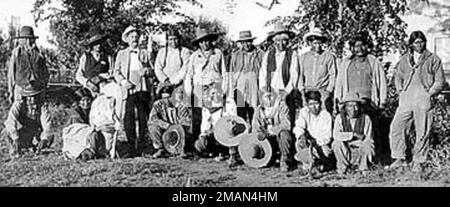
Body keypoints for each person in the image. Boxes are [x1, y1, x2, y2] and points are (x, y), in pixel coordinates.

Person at [388, 31, 445, 172]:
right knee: (396, 127)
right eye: (416, 42)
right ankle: (399, 158)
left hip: (423, 98)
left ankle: (419, 161)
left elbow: (440, 80)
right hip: (406, 98)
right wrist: (400, 90)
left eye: (421, 42)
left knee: (423, 130)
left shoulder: (433, 59)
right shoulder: (404, 59)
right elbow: (398, 75)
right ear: (411, 44)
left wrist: (430, 93)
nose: (419, 45)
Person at [334, 33, 387, 161]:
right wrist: (338, 100)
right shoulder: (346, 63)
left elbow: (382, 82)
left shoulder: (373, 61)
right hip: (349, 102)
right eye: (355, 46)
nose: (359, 48)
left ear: (367, 46)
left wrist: (382, 102)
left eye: (362, 45)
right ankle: (349, 159)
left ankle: (372, 159)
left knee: (371, 131)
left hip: (368, 102)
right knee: (349, 130)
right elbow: (339, 82)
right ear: (351, 48)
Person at [5, 26, 51, 159]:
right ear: (21, 40)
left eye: (30, 39)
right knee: (18, 115)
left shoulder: (39, 53)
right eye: (25, 39)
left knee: (37, 113)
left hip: (37, 89)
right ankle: (17, 145)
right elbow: (11, 74)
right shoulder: (17, 52)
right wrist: (10, 90)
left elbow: (45, 72)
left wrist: (43, 84)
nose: (28, 42)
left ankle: (34, 142)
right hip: (20, 88)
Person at [183, 28, 228, 158]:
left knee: (217, 118)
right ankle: (199, 148)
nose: (205, 44)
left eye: (207, 41)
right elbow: (189, 75)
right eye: (202, 42)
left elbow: (224, 73)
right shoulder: (194, 56)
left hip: (215, 87)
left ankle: (219, 148)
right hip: (199, 88)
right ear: (198, 43)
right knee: (200, 119)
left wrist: (223, 90)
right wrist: (189, 91)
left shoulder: (218, 53)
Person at [114, 25, 155, 156]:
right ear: (127, 39)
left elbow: (154, 70)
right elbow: (116, 72)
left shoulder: (145, 52)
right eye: (132, 37)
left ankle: (142, 146)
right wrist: (123, 82)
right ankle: (131, 146)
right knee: (128, 118)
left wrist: (147, 71)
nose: (134, 39)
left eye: (136, 37)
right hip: (128, 89)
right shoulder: (121, 54)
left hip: (142, 88)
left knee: (143, 117)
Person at [332, 92, 375, 175]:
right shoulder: (339, 118)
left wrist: (359, 142)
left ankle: (363, 168)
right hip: (346, 150)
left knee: (368, 144)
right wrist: (353, 135)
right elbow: (336, 135)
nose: (353, 109)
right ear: (345, 107)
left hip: (360, 150)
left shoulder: (365, 118)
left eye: (356, 106)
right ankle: (343, 168)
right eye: (350, 106)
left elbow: (368, 138)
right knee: (336, 144)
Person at [252, 87, 294, 172]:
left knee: (284, 134)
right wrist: (259, 133)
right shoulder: (259, 110)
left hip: (278, 137)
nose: (269, 99)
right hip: (266, 140)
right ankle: (268, 157)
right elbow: (255, 126)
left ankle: (284, 160)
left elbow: (286, 124)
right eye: (265, 97)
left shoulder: (282, 107)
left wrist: (271, 131)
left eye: (270, 96)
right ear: (261, 98)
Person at [297, 28, 337, 113]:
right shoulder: (303, 57)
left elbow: (333, 75)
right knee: (308, 115)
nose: (318, 46)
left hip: (322, 90)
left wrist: (328, 92)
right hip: (308, 91)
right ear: (310, 43)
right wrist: (302, 92)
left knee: (324, 114)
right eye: (315, 43)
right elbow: (300, 76)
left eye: (319, 43)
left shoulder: (328, 56)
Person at [293, 90, 333, 174]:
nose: (314, 107)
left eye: (316, 103)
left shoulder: (326, 115)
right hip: (308, 143)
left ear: (320, 103)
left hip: (321, 144)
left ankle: (319, 165)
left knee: (326, 152)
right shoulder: (304, 112)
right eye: (311, 104)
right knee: (299, 143)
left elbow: (327, 137)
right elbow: (299, 126)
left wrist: (315, 142)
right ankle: (308, 166)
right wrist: (301, 135)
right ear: (307, 104)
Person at [229, 30, 264, 124]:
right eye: (244, 42)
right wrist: (231, 90)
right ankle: (242, 135)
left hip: (254, 87)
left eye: (248, 41)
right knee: (241, 113)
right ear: (241, 43)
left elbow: (264, 72)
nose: (247, 44)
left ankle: (254, 134)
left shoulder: (260, 54)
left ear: (251, 42)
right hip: (240, 88)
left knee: (255, 112)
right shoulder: (236, 55)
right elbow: (232, 73)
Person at [148, 85, 191, 158]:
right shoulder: (157, 104)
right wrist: (167, 126)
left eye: (168, 98)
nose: (166, 100)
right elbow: (153, 119)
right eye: (164, 98)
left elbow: (186, 121)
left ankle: (182, 149)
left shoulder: (181, 105)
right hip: (164, 129)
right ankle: (160, 149)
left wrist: (177, 127)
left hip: (178, 131)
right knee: (153, 127)